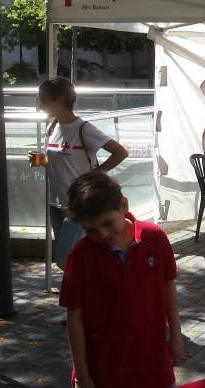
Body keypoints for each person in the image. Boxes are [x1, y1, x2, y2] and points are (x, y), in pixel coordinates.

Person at [60, 171, 182, 388]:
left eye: (107, 223)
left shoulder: (155, 238)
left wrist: (176, 335)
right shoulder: (80, 256)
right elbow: (74, 317)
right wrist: (82, 376)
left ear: (123, 205)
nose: (102, 235)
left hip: (154, 363)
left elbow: (168, 287)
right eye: (91, 230)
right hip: (104, 370)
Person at [33, 77, 129, 269]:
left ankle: (90, 285)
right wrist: (42, 161)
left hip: (79, 205)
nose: (41, 105)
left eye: (43, 101)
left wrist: (96, 173)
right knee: (75, 257)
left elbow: (120, 152)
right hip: (56, 203)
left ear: (60, 101)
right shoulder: (52, 127)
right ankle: (86, 286)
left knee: (64, 259)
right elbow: (59, 164)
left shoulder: (83, 129)